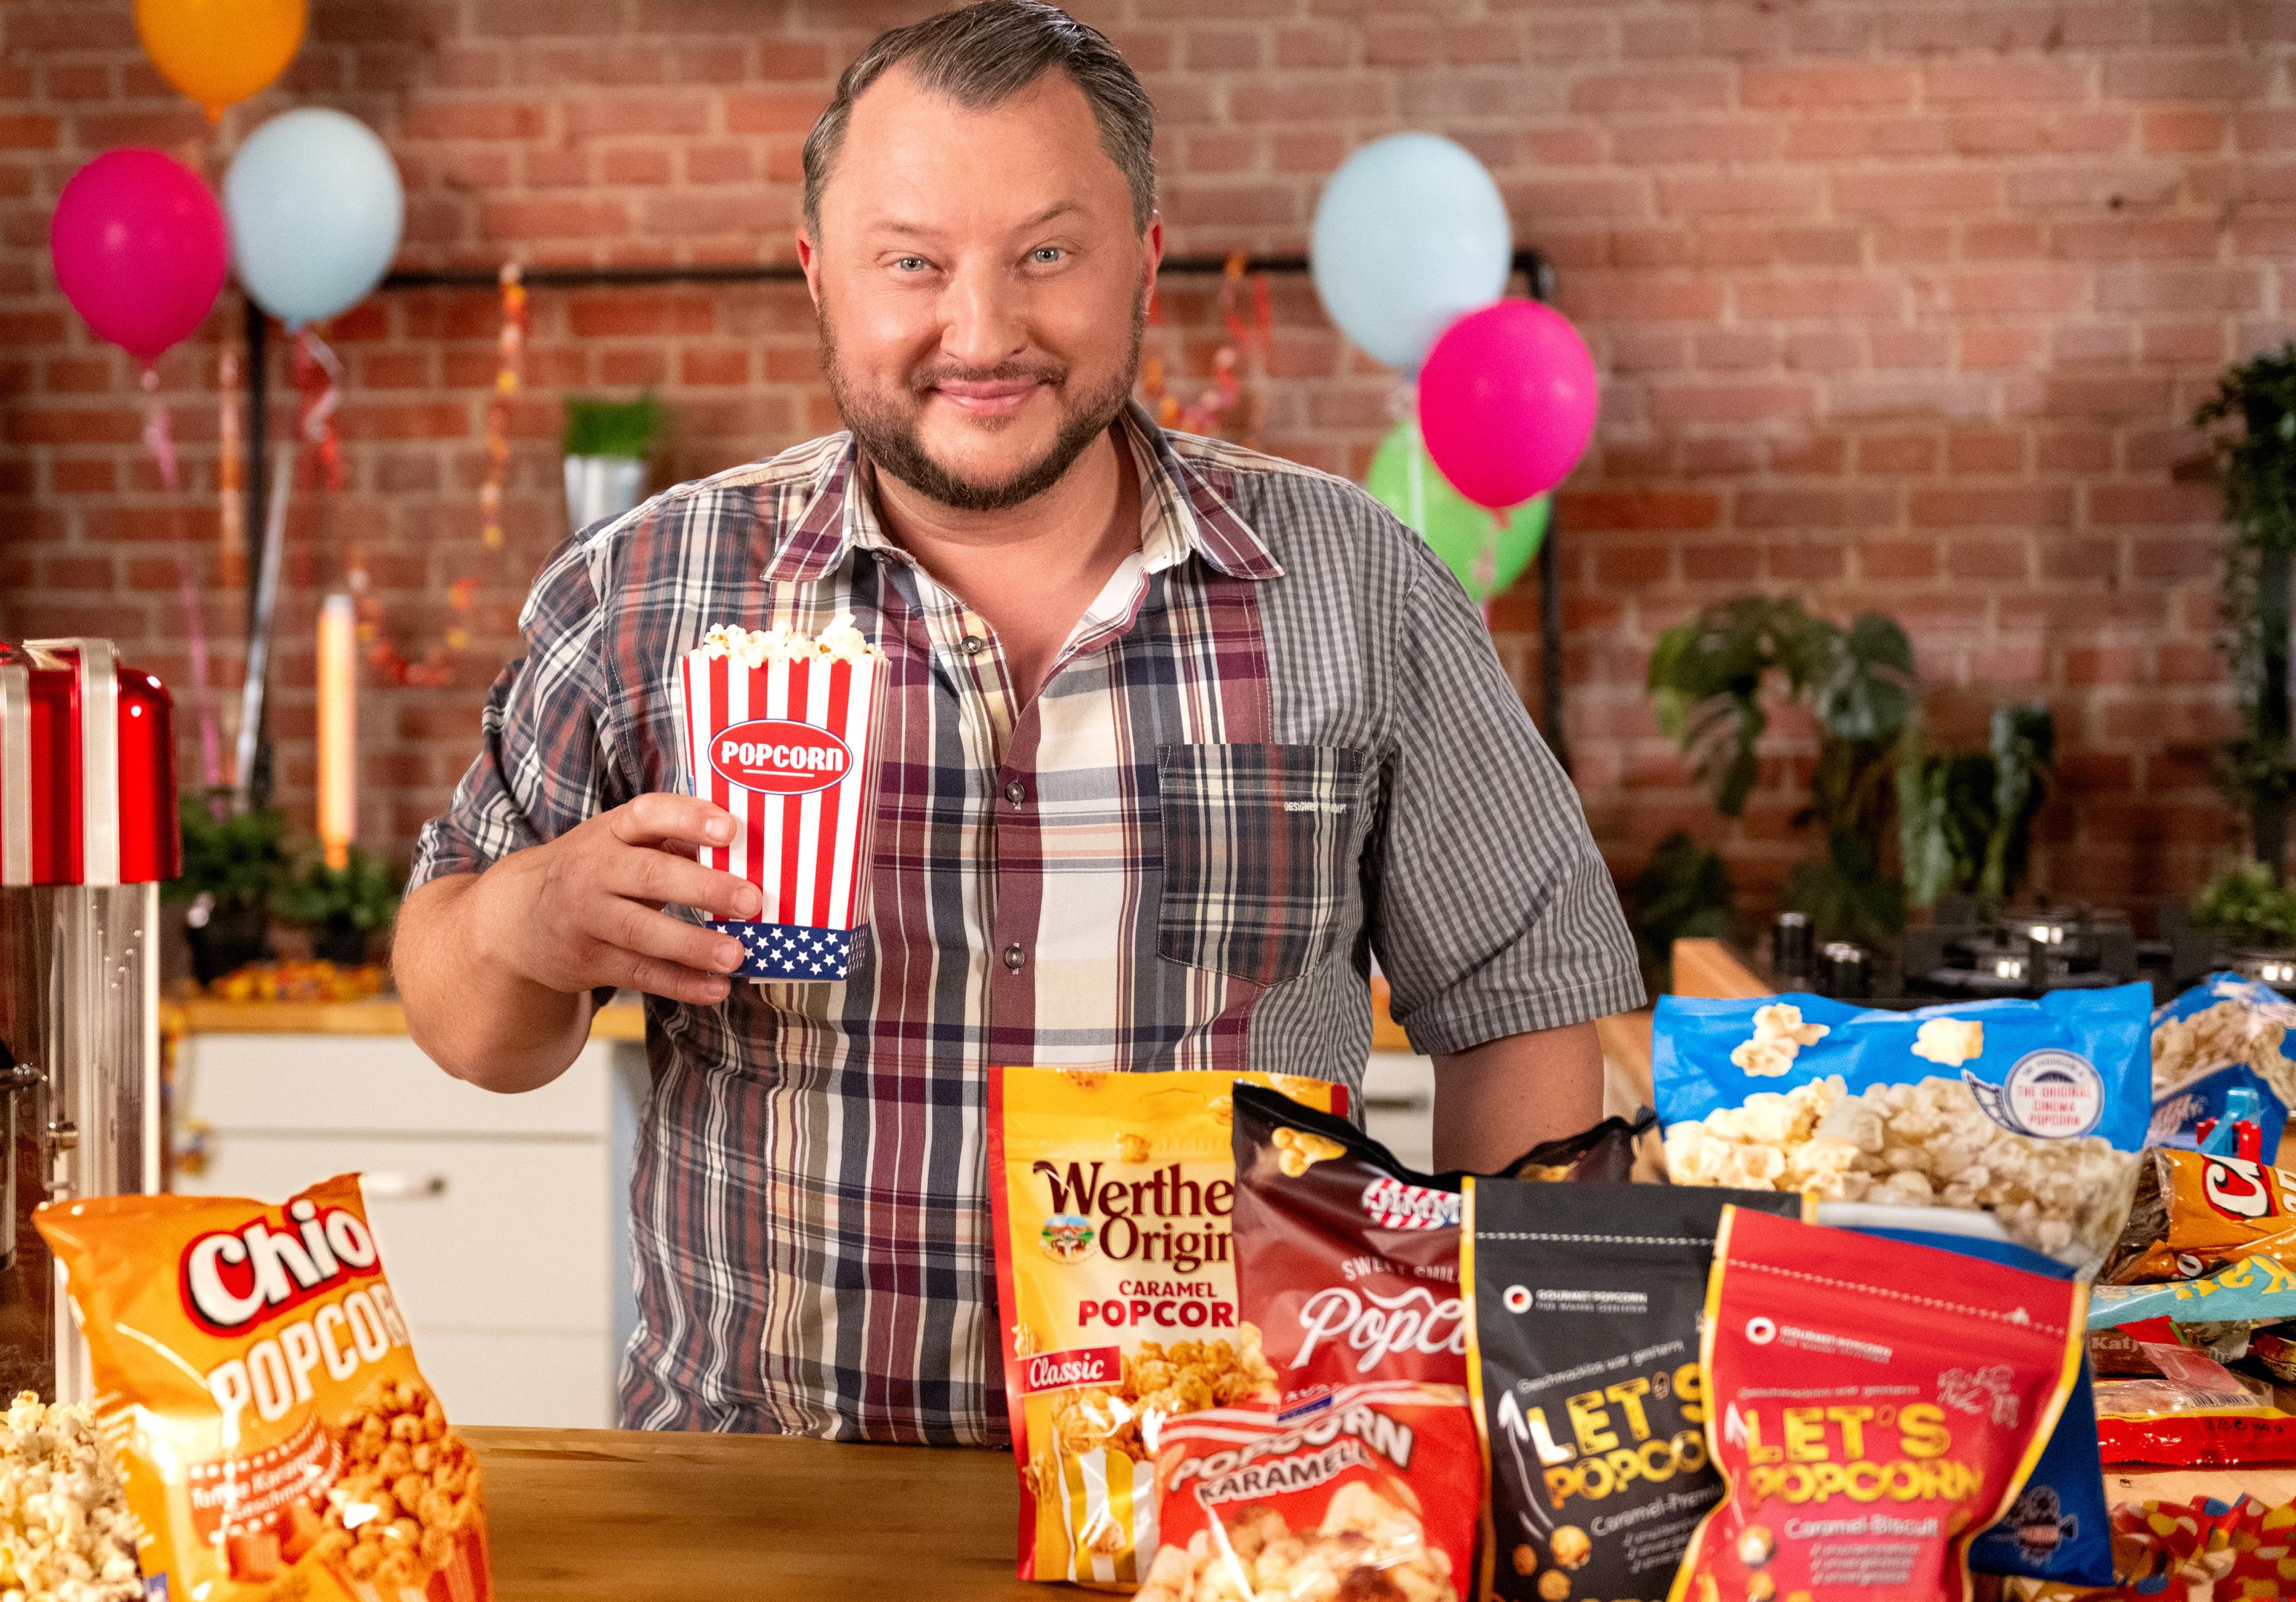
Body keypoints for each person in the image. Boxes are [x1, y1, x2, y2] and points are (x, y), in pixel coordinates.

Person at [391, 0, 1643, 1445]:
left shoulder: (1356, 586)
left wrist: (1490, 1413)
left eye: (1046, 253)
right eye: (910, 262)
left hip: (1234, 1500)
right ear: (820, 276)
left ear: (1144, 263)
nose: (980, 333)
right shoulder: (644, 593)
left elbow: (1525, 1009)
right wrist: (525, 922)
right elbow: (463, 1019)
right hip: (773, 1507)